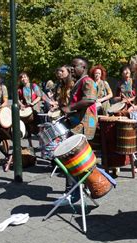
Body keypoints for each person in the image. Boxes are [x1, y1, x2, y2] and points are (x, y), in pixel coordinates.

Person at [54, 57, 98, 206]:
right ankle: (73, 192)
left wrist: (70, 108)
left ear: (83, 67)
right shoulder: (79, 82)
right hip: (77, 123)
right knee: (72, 160)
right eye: (71, 66)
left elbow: (90, 99)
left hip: (84, 125)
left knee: (75, 159)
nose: (72, 69)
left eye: (74, 66)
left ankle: (75, 194)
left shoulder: (88, 81)